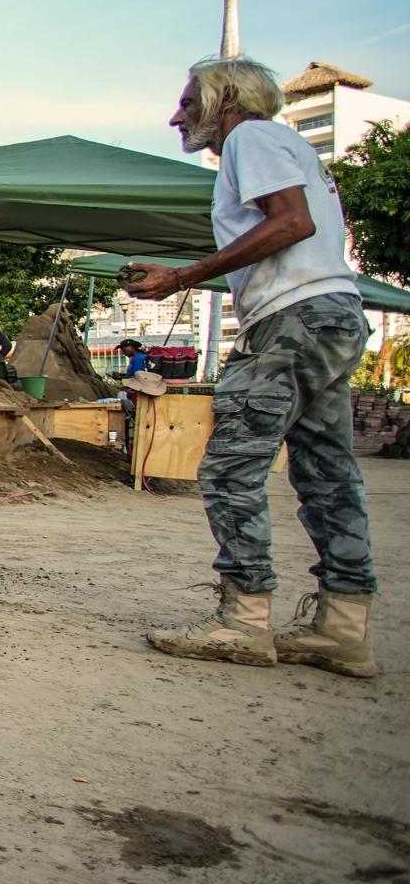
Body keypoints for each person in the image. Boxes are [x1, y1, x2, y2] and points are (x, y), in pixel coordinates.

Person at [124, 55, 374, 677]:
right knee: (326, 472)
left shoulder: (250, 138)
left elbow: (292, 223)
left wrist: (183, 276)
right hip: (333, 315)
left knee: (231, 467)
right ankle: (342, 627)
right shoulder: (293, 148)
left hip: (291, 322)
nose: (177, 117)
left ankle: (243, 621)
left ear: (226, 99)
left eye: (188, 102)